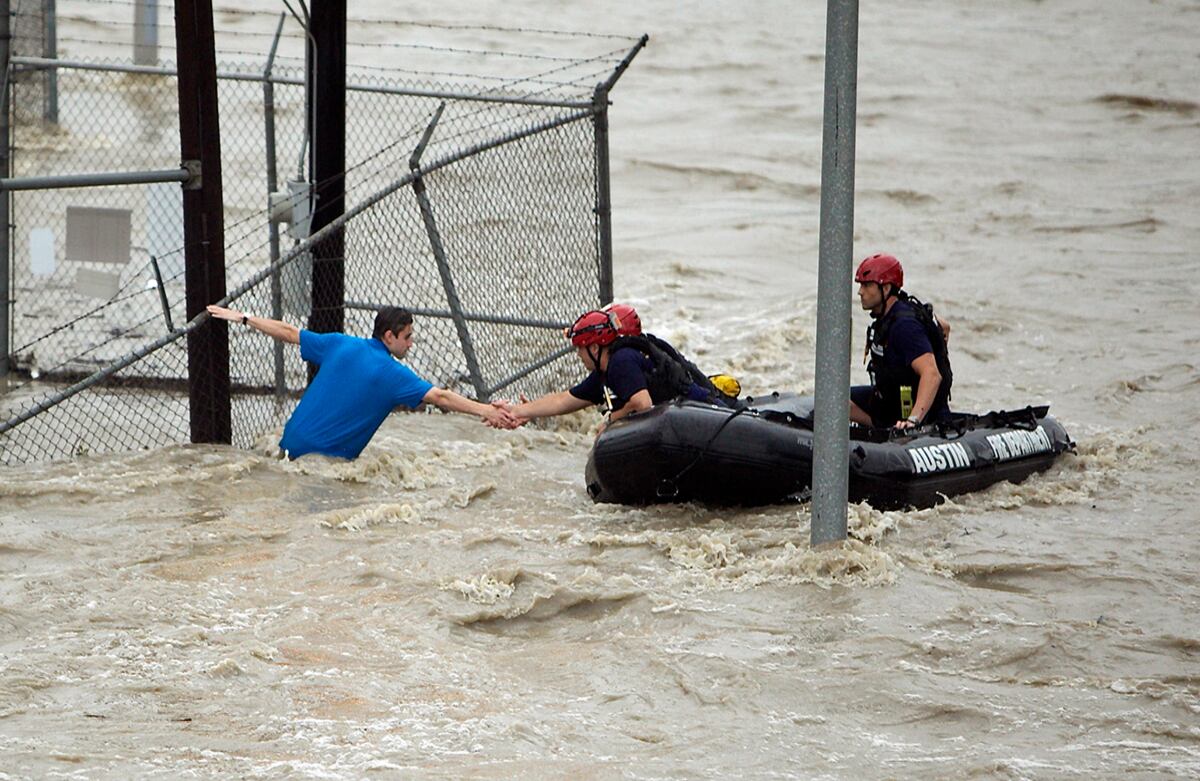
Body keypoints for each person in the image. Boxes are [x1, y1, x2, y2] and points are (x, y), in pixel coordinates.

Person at [205, 303, 517, 459]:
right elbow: (442, 398)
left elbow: (289, 332)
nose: (411, 344)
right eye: (407, 338)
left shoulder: (340, 343)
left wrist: (244, 318)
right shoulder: (393, 375)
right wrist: (487, 411)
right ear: (389, 336)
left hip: (287, 448)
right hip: (323, 466)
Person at [499, 304, 734, 431]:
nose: (579, 354)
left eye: (581, 348)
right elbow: (563, 400)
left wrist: (611, 418)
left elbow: (642, 404)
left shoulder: (622, 361)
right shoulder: (606, 371)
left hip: (707, 414)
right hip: (691, 417)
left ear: (594, 347)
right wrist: (519, 412)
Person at [849, 253, 953, 430]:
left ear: (886, 288)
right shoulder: (892, 314)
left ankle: (888, 427)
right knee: (832, 400)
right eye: (860, 285)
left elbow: (932, 375)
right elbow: (943, 326)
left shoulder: (905, 326)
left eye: (867, 285)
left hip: (914, 412)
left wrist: (913, 420)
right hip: (889, 400)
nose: (860, 292)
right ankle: (879, 427)